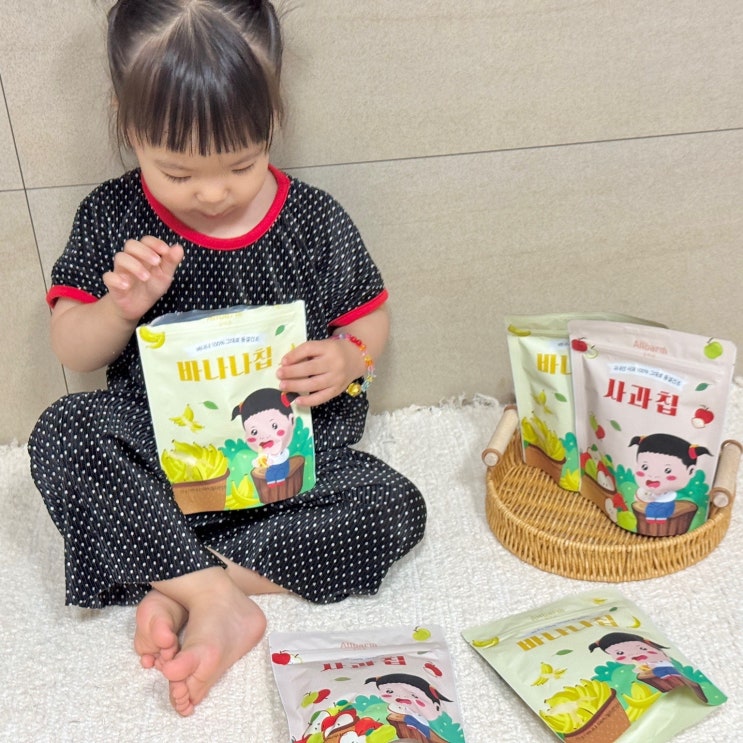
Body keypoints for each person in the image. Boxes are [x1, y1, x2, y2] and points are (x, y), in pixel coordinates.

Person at [28, 0, 426, 717]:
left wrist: (349, 356)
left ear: (272, 118)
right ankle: (217, 595)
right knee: (65, 431)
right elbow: (70, 345)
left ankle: (181, 580)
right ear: (128, 126)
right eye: (176, 172)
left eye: (241, 164)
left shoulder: (312, 220)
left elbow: (368, 316)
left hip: (288, 469)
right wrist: (118, 306)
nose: (212, 193)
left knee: (394, 509)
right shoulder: (113, 216)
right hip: (159, 462)